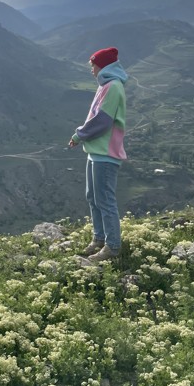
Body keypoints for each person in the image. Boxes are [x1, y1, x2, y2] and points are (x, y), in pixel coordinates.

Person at [68, 47, 128, 263]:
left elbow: (102, 121)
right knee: (93, 197)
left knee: (105, 200)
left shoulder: (113, 87)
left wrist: (79, 135)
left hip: (105, 152)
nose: (91, 70)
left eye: (93, 65)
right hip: (96, 150)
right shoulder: (105, 86)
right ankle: (99, 238)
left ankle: (112, 247)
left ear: (102, 66)